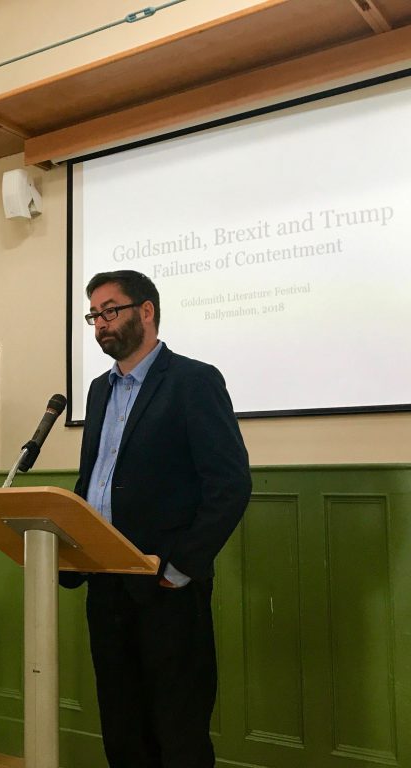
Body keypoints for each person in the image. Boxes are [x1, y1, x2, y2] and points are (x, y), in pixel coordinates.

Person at [61, 270, 251, 768]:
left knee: (177, 726)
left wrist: (180, 567)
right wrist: (74, 552)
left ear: (146, 311)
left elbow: (229, 484)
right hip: (106, 581)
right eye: (94, 315)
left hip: (166, 585)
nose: (101, 324)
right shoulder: (99, 391)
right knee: (121, 723)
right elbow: (94, 481)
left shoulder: (193, 380)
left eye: (110, 310)